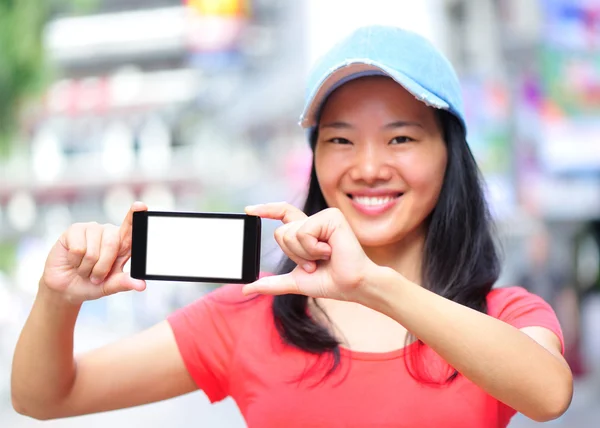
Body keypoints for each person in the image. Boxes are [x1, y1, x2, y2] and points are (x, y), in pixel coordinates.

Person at [11, 26, 573, 427]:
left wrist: (374, 287)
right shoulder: (246, 319)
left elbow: (550, 394)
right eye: (340, 139)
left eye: (401, 137)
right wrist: (57, 299)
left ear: (449, 155)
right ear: (315, 160)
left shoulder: (502, 315)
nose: (369, 166)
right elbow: (45, 398)